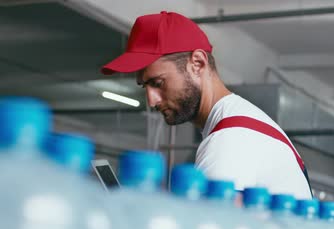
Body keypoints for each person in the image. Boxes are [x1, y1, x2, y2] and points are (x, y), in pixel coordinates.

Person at [102, 11, 312, 199]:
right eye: (144, 87)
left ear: (198, 63)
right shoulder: (241, 121)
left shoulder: (229, 139)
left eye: (158, 83)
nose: (151, 100)